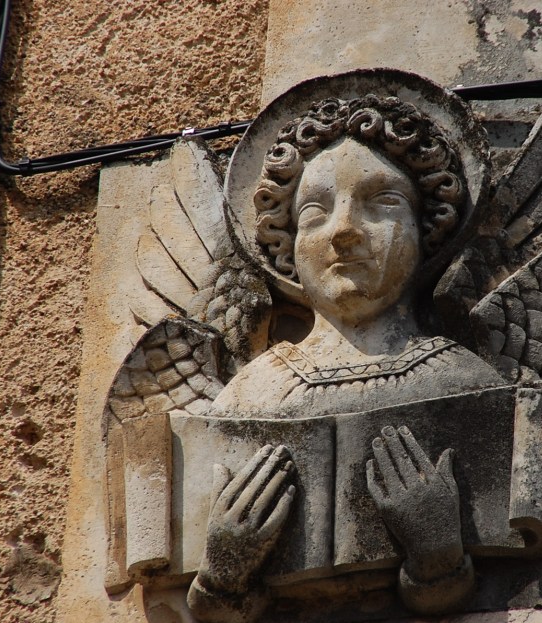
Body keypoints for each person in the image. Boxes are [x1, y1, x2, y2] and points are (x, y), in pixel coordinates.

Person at [187, 93, 505, 623]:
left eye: (383, 203)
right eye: (315, 212)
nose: (344, 230)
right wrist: (223, 569)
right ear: (287, 244)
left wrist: (437, 555)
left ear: (427, 231)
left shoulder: (462, 380)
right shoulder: (251, 392)